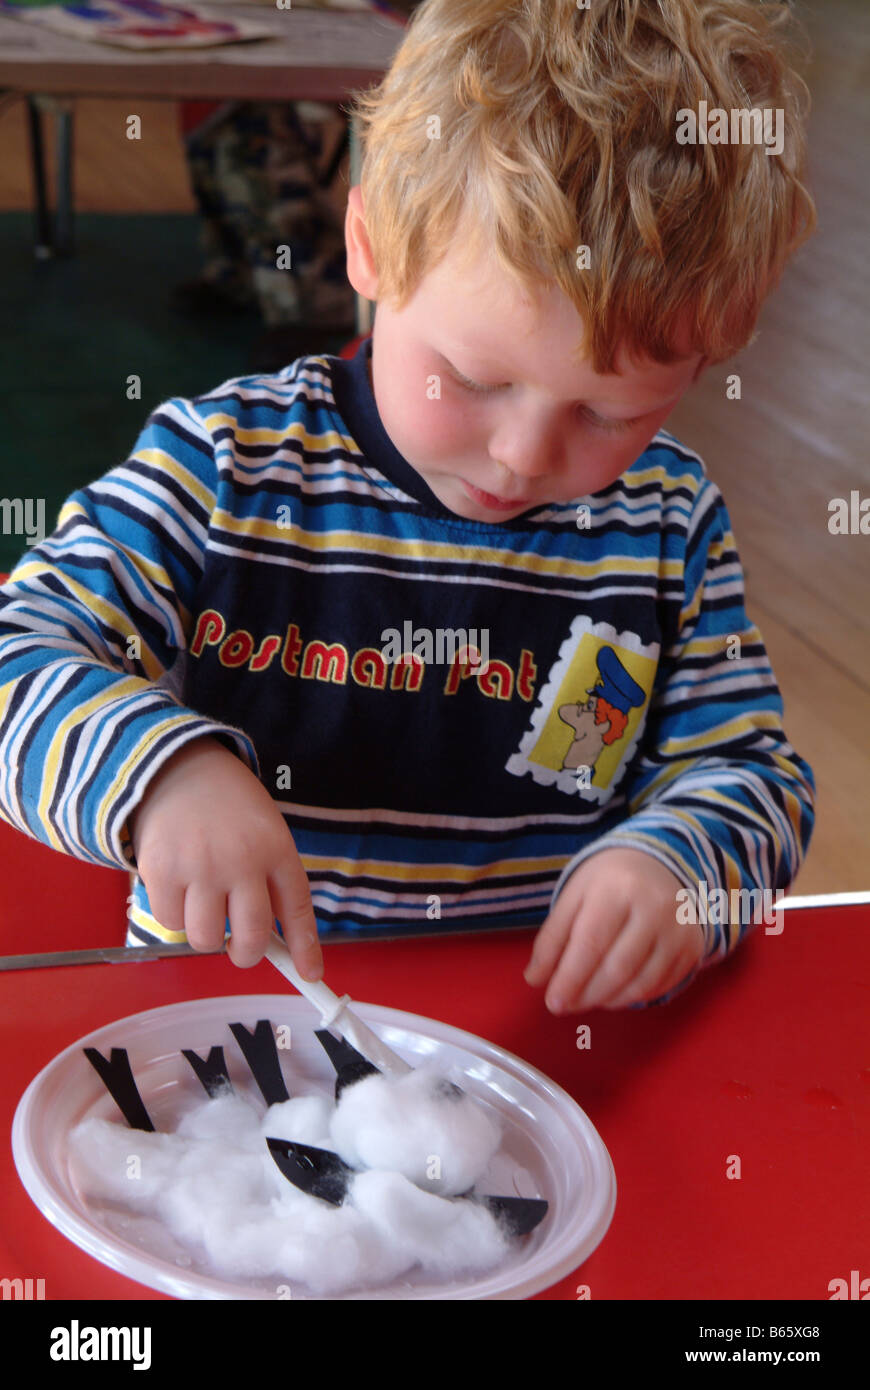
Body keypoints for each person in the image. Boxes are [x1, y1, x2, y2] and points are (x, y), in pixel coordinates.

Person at [0, 0, 817, 1013]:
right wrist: (164, 774)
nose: (524, 457)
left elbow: (753, 777)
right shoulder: (224, 467)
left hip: (520, 1055)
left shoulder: (669, 522)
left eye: (614, 412)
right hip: (222, 1043)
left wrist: (682, 869)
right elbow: (19, 652)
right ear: (372, 246)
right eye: (473, 379)